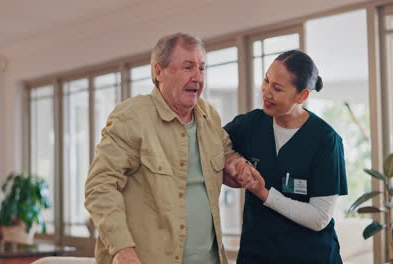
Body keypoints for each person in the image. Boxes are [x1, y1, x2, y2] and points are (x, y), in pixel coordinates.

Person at [84, 32, 250, 264]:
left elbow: (225, 154)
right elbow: (99, 187)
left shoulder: (209, 116)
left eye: (202, 68)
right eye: (187, 67)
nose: (197, 77)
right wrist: (122, 249)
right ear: (158, 71)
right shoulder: (131, 118)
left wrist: (235, 164)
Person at [224, 50, 348, 264]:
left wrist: (263, 193)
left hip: (309, 257)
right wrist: (233, 162)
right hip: (257, 254)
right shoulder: (251, 124)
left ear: (302, 96)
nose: (266, 92)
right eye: (266, 81)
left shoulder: (326, 141)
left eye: (277, 88)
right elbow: (214, 145)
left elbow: (319, 217)